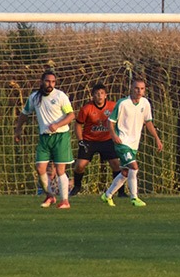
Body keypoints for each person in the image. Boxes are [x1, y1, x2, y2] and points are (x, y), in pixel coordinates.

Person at [14, 70, 75, 209]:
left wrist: (57, 125)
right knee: (40, 168)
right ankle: (50, 195)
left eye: (53, 82)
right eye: (48, 81)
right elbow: (24, 114)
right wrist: (18, 129)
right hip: (44, 137)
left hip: (60, 136)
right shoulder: (34, 97)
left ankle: (65, 200)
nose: (50, 84)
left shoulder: (60, 96)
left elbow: (71, 115)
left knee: (60, 170)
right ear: (41, 82)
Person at [100, 78, 163, 207]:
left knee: (125, 172)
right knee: (134, 167)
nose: (139, 91)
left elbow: (148, 122)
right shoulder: (123, 103)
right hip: (122, 142)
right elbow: (110, 121)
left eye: (142, 88)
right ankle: (134, 198)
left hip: (134, 144)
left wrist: (157, 138)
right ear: (131, 88)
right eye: (136, 88)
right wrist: (113, 136)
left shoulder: (145, 103)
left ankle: (107, 195)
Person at [70, 83, 125, 197]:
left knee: (116, 164)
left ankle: (121, 192)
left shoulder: (113, 106)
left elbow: (123, 118)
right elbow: (78, 124)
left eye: (102, 93)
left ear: (106, 95)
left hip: (107, 140)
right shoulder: (86, 109)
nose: (99, 96)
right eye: (97, 93)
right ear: (92, 96)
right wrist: (81, 140)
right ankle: (77, 186)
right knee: (80, 165)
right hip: (90, 141)